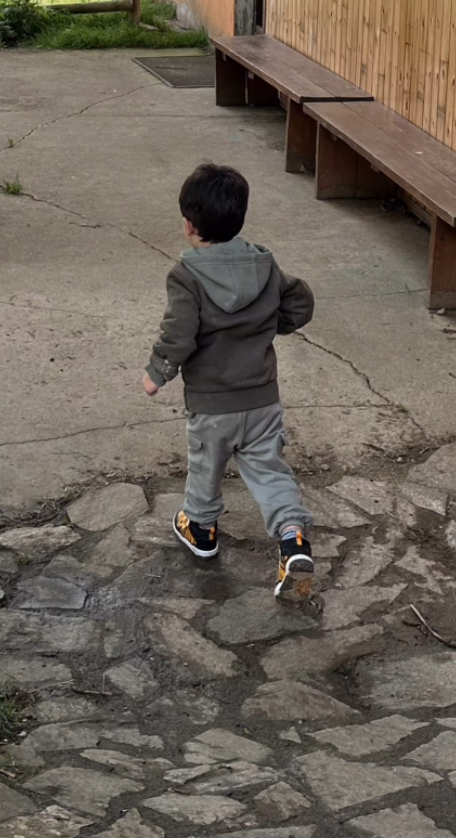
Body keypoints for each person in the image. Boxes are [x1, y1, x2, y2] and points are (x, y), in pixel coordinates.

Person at [143, 162, 318, 601]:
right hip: (262, 400)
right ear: (239, 218)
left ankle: (200, 530)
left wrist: (157, 373)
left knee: (206, 465)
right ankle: (293, 539)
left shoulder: (187, 276)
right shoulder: (264, 264)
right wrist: (271, 324)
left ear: (188, 224)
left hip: (213, 404)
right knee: (269, 471)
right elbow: (300, 302)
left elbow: (178, 333)